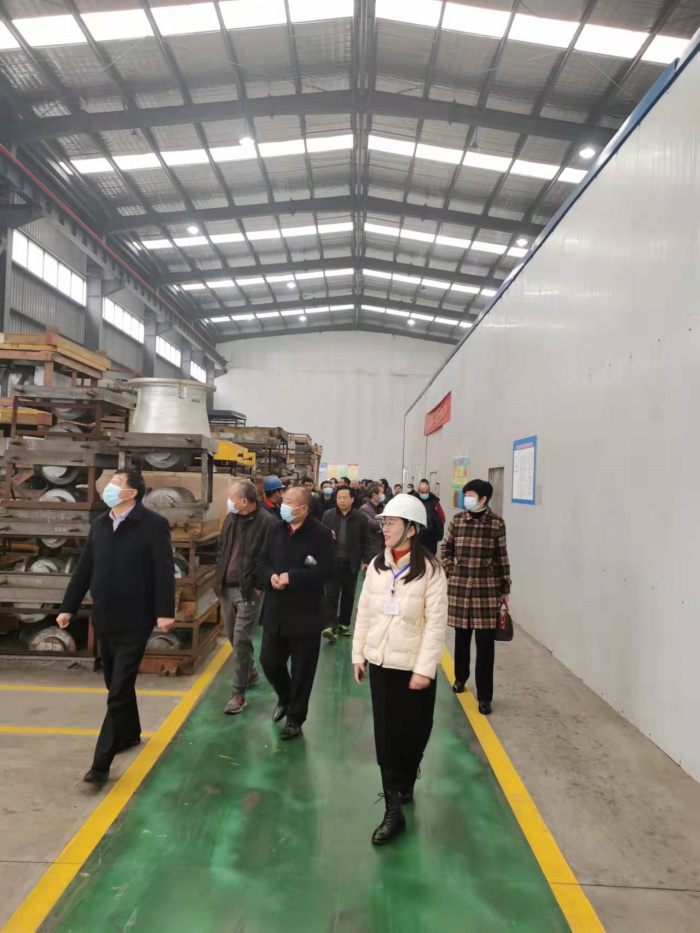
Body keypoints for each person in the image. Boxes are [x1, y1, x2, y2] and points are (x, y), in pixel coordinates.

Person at [57, 470, 175, 785]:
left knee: (119, 687)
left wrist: (165, 611)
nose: (109, 487)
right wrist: (68, 607)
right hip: (105, 617)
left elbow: (164, 570)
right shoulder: (99, 524)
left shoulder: (152, 524)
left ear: (132, 492)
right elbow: (84, 569)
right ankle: (130, 733)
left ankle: (101, 764)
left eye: (117, 483)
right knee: (114, 682)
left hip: (137, 618)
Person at [352, 494, 447, 845]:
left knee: (416, 731)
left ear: (411, 529)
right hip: (381, 664)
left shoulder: (432, 572)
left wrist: (424, 669)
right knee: (386, 736)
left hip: (414, 668)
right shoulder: (377, 566)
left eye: (391, 523)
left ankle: (406, 778)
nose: (385, 529)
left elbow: (435, 625)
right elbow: (364, 612)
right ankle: (393, 808)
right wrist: (358, 654)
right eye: (384, 523)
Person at [256, 486, 334, 740]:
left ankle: (295, 718)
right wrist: (270, 577)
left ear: (304, 508)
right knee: (269, 661)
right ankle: (285, 696)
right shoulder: (274, 529)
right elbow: (262, 562)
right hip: (276, 611)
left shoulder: (321, 534)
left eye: (289, 502)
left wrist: (292, 577)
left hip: (305, 614)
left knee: (302, 671)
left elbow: (326, 571)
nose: (283, 504)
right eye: (284, 500)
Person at [442, 479, 511, 716]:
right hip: (461, 587)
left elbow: (502, 557)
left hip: (486, 590)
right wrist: (451, 569)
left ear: (483, 499)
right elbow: (446, 548)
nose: (467, 499)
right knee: (461, 638)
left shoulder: (496, 524)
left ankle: (485, 696)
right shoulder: (458, 520)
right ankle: (460, 678)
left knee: (485, 646)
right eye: (466, 495)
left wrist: (504, 588)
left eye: (471, 495)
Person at [215, 479, 275, 715]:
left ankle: (237, 693)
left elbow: (269, 557)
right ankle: (249, 671)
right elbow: (222, 549)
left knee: (241, 639)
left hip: (248, 590)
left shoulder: (267, 522)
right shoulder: (231, 519)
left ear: (244, 501)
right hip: (225, 587)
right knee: (233, 636)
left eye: (232, 498)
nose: (228, 502)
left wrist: (259, 584)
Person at [322, 486, 371, 642]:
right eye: (339, 497)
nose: (341, 500)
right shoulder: (328, 515)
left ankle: (344, 623)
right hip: (333, 561)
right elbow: (320, 536)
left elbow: (366, 541)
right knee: (331, 593)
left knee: (348, 595)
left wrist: (367, 561)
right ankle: (330, 625)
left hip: (351, 562)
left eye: (344, 497)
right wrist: (327, 535)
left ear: (352, 499)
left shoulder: (361, 518)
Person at [411, 479, 445, 555]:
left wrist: (437, 526)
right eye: (422, 492)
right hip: (417, 535)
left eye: (426, 492)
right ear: (418, 491)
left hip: (431, 537)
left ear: (429, 491)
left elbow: (442, 517)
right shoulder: (413, 501)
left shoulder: (435, 502)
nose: (424, 494)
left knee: (430, 556)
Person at [359, 483, 384, 560]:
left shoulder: (384, 507)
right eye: (381, 493)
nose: (383, 495)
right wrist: (385, 523)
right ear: (374, 495)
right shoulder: (364, 509)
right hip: (372, 547)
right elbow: (371, 524)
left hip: (384, 545)